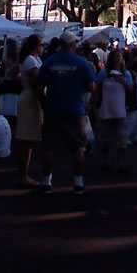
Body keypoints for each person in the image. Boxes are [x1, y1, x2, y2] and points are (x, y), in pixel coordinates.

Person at [36, 31, 95, 195]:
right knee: (77, 148)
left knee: (49, 147)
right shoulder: (82, 63)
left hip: (53, 109)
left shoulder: (49, 62)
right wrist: (88, 104)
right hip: (74, 109)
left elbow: (39, 86)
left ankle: (46, 181)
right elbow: (92, 87)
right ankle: (78, 182)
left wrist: (44, 103)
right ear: (72, 44)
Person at [95, 49, 133, 175]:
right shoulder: (104, 73)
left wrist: (123, 81)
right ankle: (105, 161)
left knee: (121, 137)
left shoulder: (126, 73)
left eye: (120, 56)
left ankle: (120, 163)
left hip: (120, 109)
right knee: (104, 138)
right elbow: (97, 88)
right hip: (106, 108)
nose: (118, 58)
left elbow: (130, 90)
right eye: (116, 56)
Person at [15, 35, 44, 188]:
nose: (43, 46)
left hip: (30, 98)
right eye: (41, 44)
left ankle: (23, 174)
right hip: (31, 99)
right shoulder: (31, 61)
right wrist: (43, 99)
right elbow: (35, 82)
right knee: (26, 139)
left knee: (28, 139)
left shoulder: (32, 59)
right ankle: (22, 175)